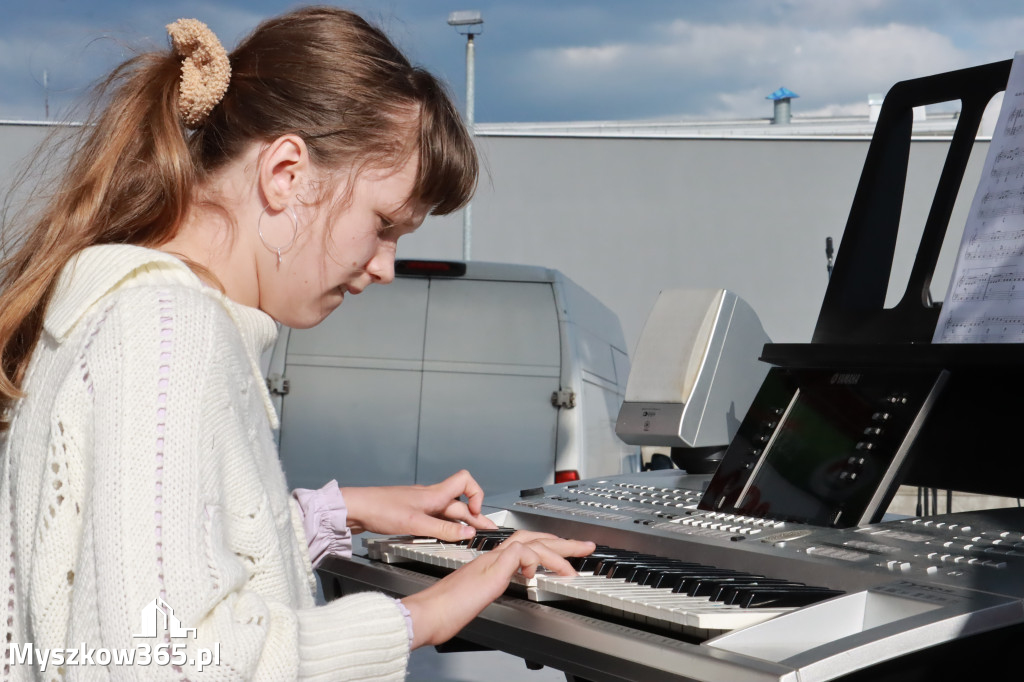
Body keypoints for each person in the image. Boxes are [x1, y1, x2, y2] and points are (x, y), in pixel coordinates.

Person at [0, 7, 595, 680]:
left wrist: (337, 513)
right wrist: (425, 614)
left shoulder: (133, 311)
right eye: (383, 224)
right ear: (286, 174)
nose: (384, 268)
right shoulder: (167, 334)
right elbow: (164, 656)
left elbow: (148, 558)